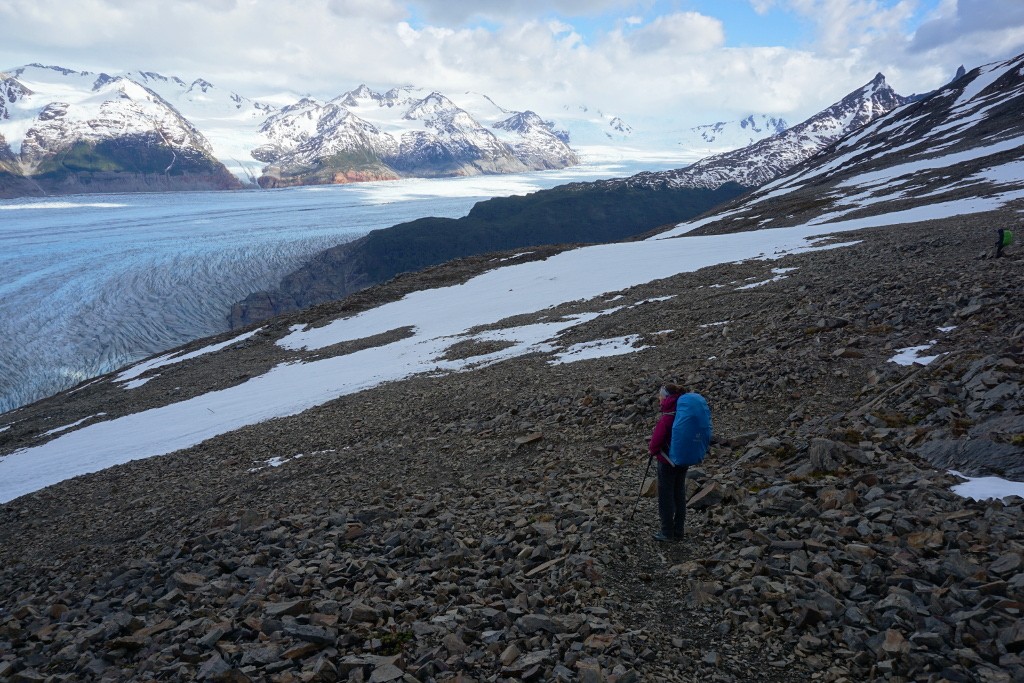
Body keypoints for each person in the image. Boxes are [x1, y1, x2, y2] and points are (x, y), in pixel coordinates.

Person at [647, 384, 687, 542]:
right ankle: (679, 531)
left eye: (661, 395)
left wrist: (653, 450)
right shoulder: (682, 412)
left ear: (666, 397)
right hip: (684, 459)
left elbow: (655, 442)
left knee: (666, 496)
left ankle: (667, 532)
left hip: (667, 461)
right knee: (679, 494)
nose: (659, 398)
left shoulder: (668, 416)